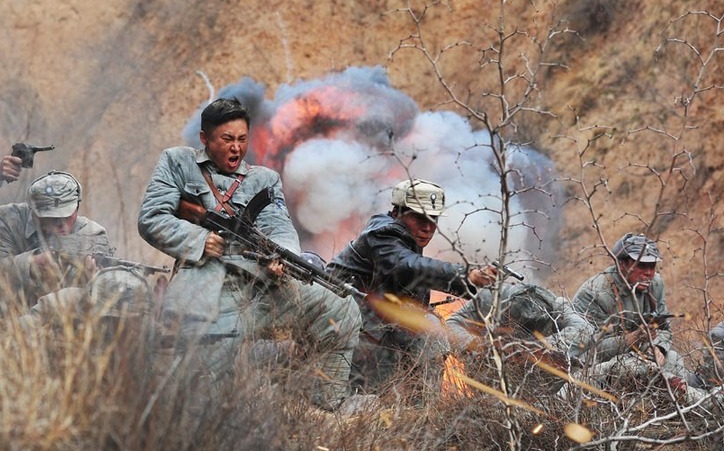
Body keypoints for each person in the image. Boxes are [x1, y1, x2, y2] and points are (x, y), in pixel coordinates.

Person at [138, 97, 362, 411]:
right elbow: (152, 218)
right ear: (205, 139)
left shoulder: (263, 179)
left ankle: (323, 402)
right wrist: (200, 240)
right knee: (210, 394)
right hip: (206, 285)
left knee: (340, 306)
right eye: (227, 139)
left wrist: (281, 257)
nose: (236, 148)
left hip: (260, 286)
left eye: (242, 139)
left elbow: (278, 225)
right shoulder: (177, 162)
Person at [326, 178, 496, 387]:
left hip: (372, 329)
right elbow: (409, 267)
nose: (428, 227)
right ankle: (421, 411)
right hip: (344, 332)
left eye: (433, 218)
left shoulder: (406, 239)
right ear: (397, 213)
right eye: (419, 218)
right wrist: (466, 275)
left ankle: (420, 412)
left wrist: (475, 282)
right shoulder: (383, 233)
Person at [573, 233, 690, 392]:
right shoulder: (594, 293)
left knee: (674, 360)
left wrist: (657, 348)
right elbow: (586, 350)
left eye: (652, 266)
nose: (648, 273)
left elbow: (664, 328)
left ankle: (673, 409)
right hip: (594, 369)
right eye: (641, 265)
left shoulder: (655, 284)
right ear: (621, 264)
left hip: (638, 357)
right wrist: (632, 338)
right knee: (634, 368)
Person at [0, 170, 113, 308]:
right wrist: (31, 263)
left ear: (77, 208)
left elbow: (107, 297)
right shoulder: (9, 219)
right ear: (33, 212)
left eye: (67, 216)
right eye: (51, 218)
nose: (60, 224)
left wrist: (92, 282)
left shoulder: (93, 235)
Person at [446, 282, 594, 366]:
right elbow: (450, 325)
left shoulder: (557, 306)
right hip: (490, 371)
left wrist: (537, 349)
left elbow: (586, 330)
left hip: (538, 375)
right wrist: (478, 345)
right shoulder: (489, 298)